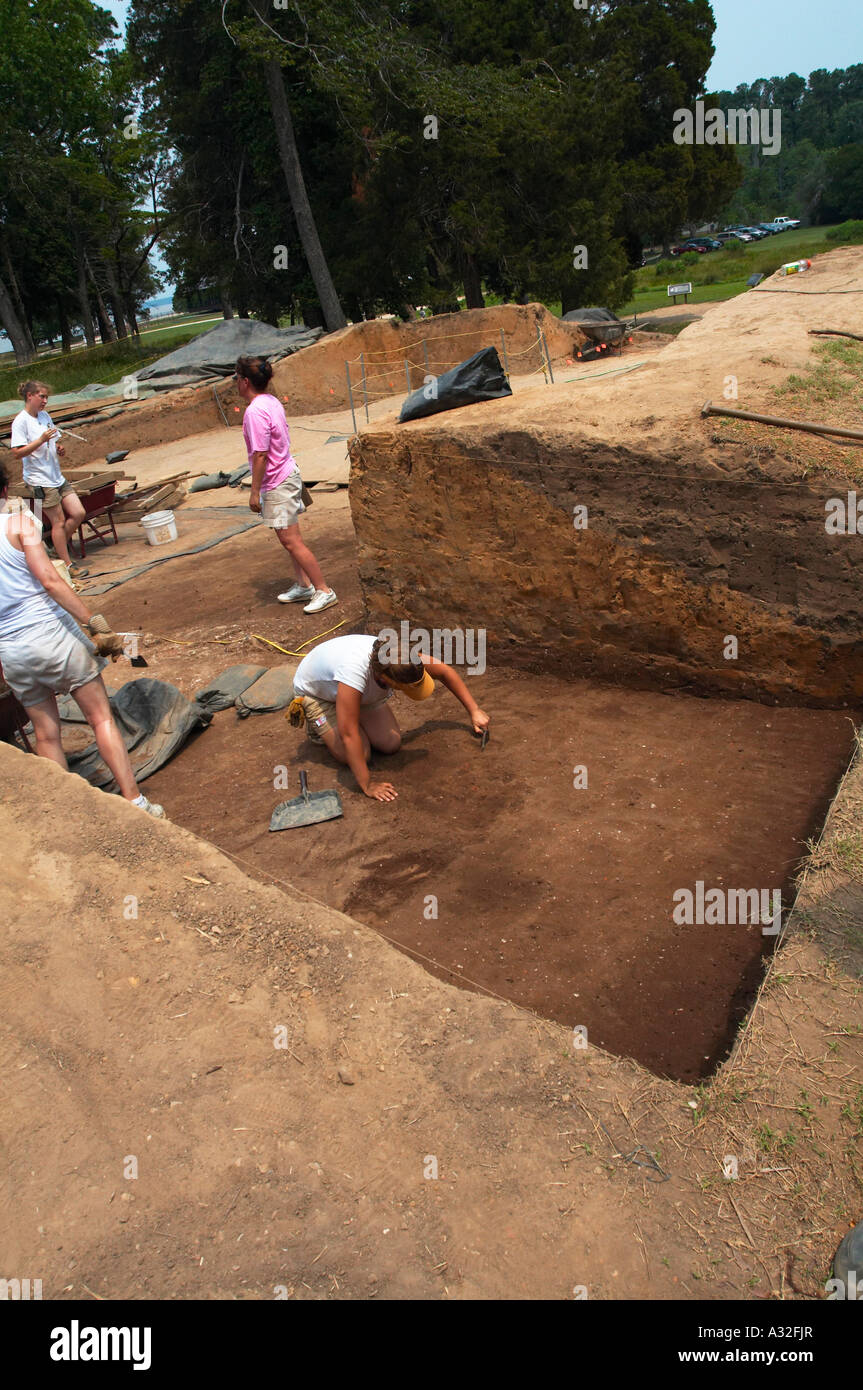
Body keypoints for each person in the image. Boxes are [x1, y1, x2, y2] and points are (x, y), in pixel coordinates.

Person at [0, 459, 165, 817]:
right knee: (100, 718)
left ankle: (69, 816)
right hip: (51, 635)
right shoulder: (19, 524)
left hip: (12, 650)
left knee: (45, 735)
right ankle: (135, 801)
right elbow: (50, 580)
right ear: (4, 490)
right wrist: (93, 621)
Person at [288, 633, 490, 802]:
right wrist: (367, 785)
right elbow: (349, 733)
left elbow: (445, 672)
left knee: (391, 743)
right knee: (359, 754)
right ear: (386, 679)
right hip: (318, 693)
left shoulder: (401, 658)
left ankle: (349, 712)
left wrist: (474, 710)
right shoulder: (355, 673)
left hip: (361, 693)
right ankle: (319, 725)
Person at [235, 355, 337, 614]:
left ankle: (323, 590)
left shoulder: (254, 412)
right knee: (290, 538)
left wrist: (255, 491)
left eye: (237, 378)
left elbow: (260, 454)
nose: (236, 383)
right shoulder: (270, 401)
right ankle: (303, 585)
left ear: (246, 381)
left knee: (291, 541)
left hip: (277, 481)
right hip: (286, 473)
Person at [10, 380, 89, 580]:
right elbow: (17, 453)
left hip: (55, 475)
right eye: (42, 396)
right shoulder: (21, 421)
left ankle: (56, 547)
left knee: (78, 512)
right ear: (30, 396)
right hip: (39, 479)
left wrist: (57, 447)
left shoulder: (44, 416)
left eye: (47, 397)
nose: (45, 401)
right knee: (59, 522)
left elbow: (53, 440)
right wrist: (41, 441)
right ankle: (68, 564)